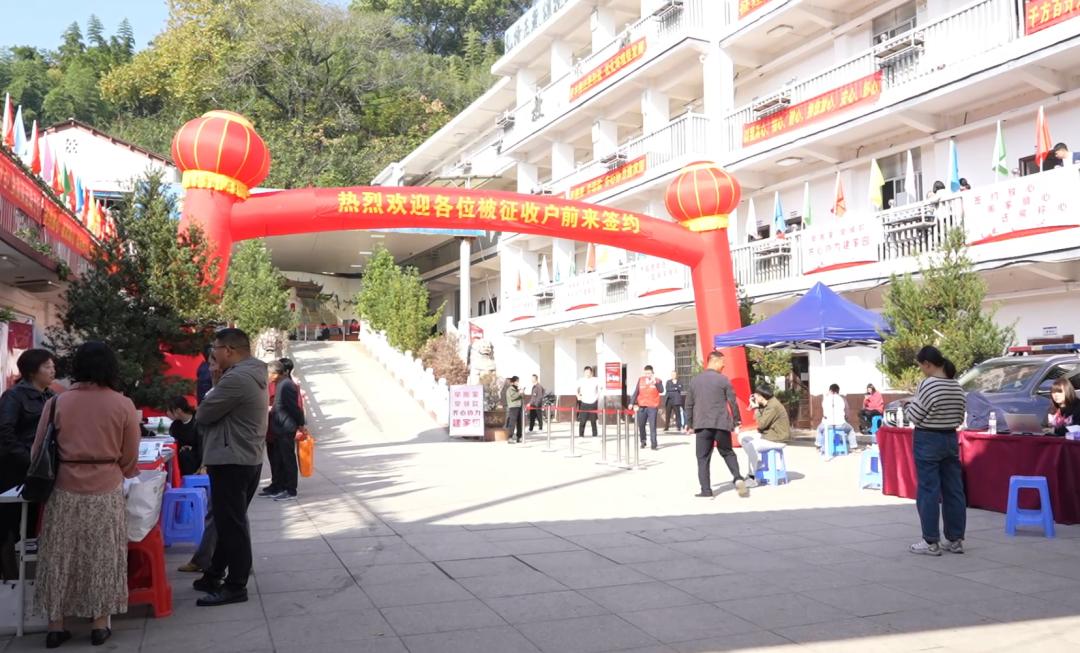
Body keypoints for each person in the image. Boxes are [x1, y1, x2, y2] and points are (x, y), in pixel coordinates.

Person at [32, 341, 140, 648]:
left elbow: (38, 449)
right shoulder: (122, 404)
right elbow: (130, 456)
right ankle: (99, 624)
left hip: (64, 487)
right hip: (106, 486)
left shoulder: (57, 402)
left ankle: (55, 625)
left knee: (59, 556)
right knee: (102, 556)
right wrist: (120, 469)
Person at [193, 328, 269, 606]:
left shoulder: (236, 378)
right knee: (229, 522)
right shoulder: (251, 373)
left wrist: (215, 385)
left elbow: (203, 414)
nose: (212, 355)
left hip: (231, 459)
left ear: (228, 350)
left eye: (215, 348)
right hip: (244, 457)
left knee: (231, 525)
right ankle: (214, 574)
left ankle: (236, 585)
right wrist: (216, 381)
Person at [905, 346, 967, 556]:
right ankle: (955, 539)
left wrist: (909, 405)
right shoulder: (956, 385)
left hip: (928, 439)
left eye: (921, 366)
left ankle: (930, 541)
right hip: (950, 438)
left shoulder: (928, 384)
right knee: (954, 490)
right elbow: (960, 417)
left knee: (928, 490)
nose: (922, 370)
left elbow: (914, 415)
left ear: (927, 364)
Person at [0, 349, 55, 578]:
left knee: (32, 523)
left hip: (41, 471)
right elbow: (4, 432)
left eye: (53, 366)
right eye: (47, 367)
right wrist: (28, 457)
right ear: (32, 371)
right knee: (10, 525)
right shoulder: (13, 396)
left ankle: (28, 575)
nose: (52, 370)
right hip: (15, 471)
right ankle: (9, 577)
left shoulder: (50, 396)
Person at [178, 357, 222, 575]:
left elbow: (203, 418)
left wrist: (204, 462)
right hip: (225, 457)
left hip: (227, 459)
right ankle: (234, 561)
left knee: (224, 513)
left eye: (213, 363)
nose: (208, 370)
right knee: (226, 514)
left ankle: (211, 561)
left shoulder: (225, 389)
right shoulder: (219, 386)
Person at [685, 351, 748, 498]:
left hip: (702, 425)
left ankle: (706, 490)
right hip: (721, 423)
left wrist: (689, 423)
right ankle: (738, 478)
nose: (724, 365)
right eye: (722, 362)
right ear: (714, 361)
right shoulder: (723, 380)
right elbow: (732, 402)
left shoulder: (695, 381)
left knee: (703, 458)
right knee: (727, 452)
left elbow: (689, 404)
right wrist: (737, 420)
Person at [267, 360, 305, 499]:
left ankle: (291, 490)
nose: (268, 377)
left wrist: (301, 424)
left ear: (276, 373)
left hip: (286, 427)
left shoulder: (286, 385)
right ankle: (281, 486)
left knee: (288, 459)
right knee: (280, 458)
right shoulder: (280, 384)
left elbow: (294, 408)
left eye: (269, 374)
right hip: (279, 426)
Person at [739, 385, 790, 481]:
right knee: (743, 437)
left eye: (755, 395)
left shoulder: (773, 406)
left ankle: (752, 477)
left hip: (778, 438)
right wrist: (756, 407)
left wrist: (756, 408)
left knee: (751, 445)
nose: (754, 398)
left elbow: (761, 424)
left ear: (761, 397)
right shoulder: (768, 403)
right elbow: (760, 422)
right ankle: (757, 463)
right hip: (769, 434)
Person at [816, 383, 858, 456]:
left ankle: (818, 446)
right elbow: (847, 411)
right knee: (851, 430)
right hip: (840, 424)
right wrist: (846, 417)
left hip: (827, 425)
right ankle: (853, 447)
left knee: (819, 429)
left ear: (830, 390)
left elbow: (824, 412)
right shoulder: (842, 399)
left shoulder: (825, 399)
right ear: (838, 391)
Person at [167, 397, 203, 476]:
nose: (167, 413)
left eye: (169, 410)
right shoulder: (175, 425)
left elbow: (202, 444)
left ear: (178, 410)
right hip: (182, 456)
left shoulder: (198, 422)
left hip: (196, 458)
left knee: (186, 455)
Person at [631, 365, 663, 450]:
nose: (647, 375)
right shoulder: (641, 380)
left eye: (649, 373)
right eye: (646, 373)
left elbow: (661, 390)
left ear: (652, 373)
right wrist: (631, 403)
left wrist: (655, 382)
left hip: (652, 406)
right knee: (641, 425)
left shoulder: (658, 380)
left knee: (652, 426)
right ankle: (643, 441)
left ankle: (654, 444)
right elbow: (636, 392)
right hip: (642, 406)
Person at [576, 366, 601, 438]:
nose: (587, 373)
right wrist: (578, 396)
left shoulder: (595, 380)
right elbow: (575, 388)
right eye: (586, 372)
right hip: (584, 402)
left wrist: (597, 396)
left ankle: (595, 435)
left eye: (589, 372)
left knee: (593, 420)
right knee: (582, 420)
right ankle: (581, 435)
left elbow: (601, 388)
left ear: (591, 372)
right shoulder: (581, 380)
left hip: (593, 402)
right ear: (584, 373)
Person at [504, 376, 524, 444]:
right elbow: (513, 397)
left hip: (519, 406)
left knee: (519, 422)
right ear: (512, 382)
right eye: (516, 381)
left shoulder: (516, 389)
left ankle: (519, 437)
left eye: (518, 381)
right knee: (512, 423)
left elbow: (520, 397)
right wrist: (519, 393)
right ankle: (510, 437)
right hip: (513, 407)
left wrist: (521, 392)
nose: (517, 383)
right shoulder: (510, 389)